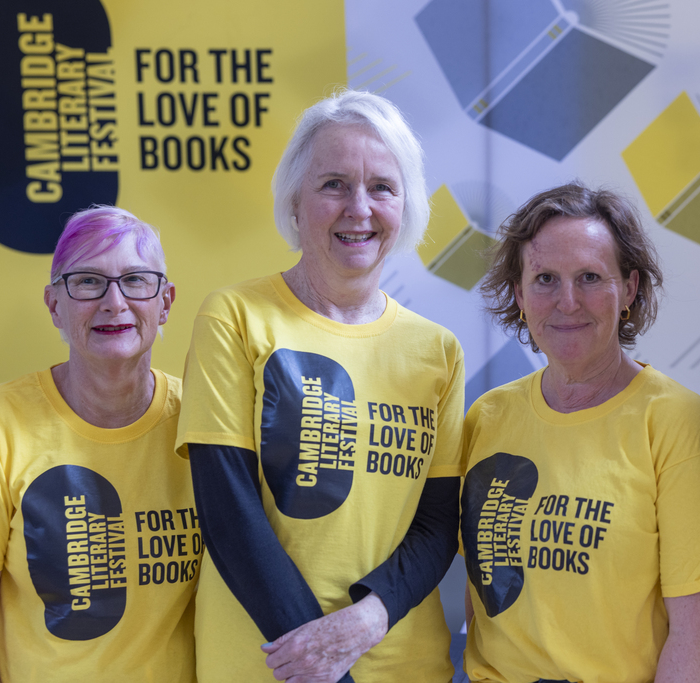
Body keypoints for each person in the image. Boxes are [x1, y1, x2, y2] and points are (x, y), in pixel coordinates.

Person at [176, 89, 465, 683]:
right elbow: (227, 513)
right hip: (267, 665)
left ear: (406, 206)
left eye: (382, 187)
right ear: (295, 201)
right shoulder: (235, 317)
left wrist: (365, 622)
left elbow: (438, 524)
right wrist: (322, 662)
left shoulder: (438, 350)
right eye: (334, 184)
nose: (359, 208)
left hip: (404, 664)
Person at [460, 183, 700, 683]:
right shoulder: (488, 417)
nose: (567, 302)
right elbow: (481, 593)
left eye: (589, 277)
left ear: (628, 289)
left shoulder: (674, 421)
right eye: (545, 279)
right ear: (520, 294)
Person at [0, 206, 198, 682]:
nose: (114, 302)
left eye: (135, 280)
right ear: (54, 304)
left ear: (165, 301)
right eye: (87, 281)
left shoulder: (201, 422)